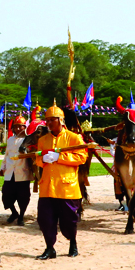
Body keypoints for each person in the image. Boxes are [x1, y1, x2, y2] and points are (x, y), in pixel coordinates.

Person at [33, 103, 88, 259]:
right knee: (45, 219)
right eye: (47, 120)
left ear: (61, 120)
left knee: (69, 221)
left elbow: (81, 157)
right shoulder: (43, 140)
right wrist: (42, 159)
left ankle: (73, 243)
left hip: (67, 188)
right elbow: (37, 159)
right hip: (47, 187)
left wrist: (60, 157)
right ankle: (50, 248)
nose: (49, 123)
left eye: (52, 120)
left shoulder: (74, 137)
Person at [0, 115, 31, 225]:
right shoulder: (10, 140)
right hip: (9, 172)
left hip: (23, 172)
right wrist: (2, 168)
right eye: (16, 127)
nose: (18, 129)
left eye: (20, 127)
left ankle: (21, 216)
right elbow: (6, 155)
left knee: (23, 197)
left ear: (24, 127)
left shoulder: (28, 139)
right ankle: (14, 213)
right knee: (6, 195)